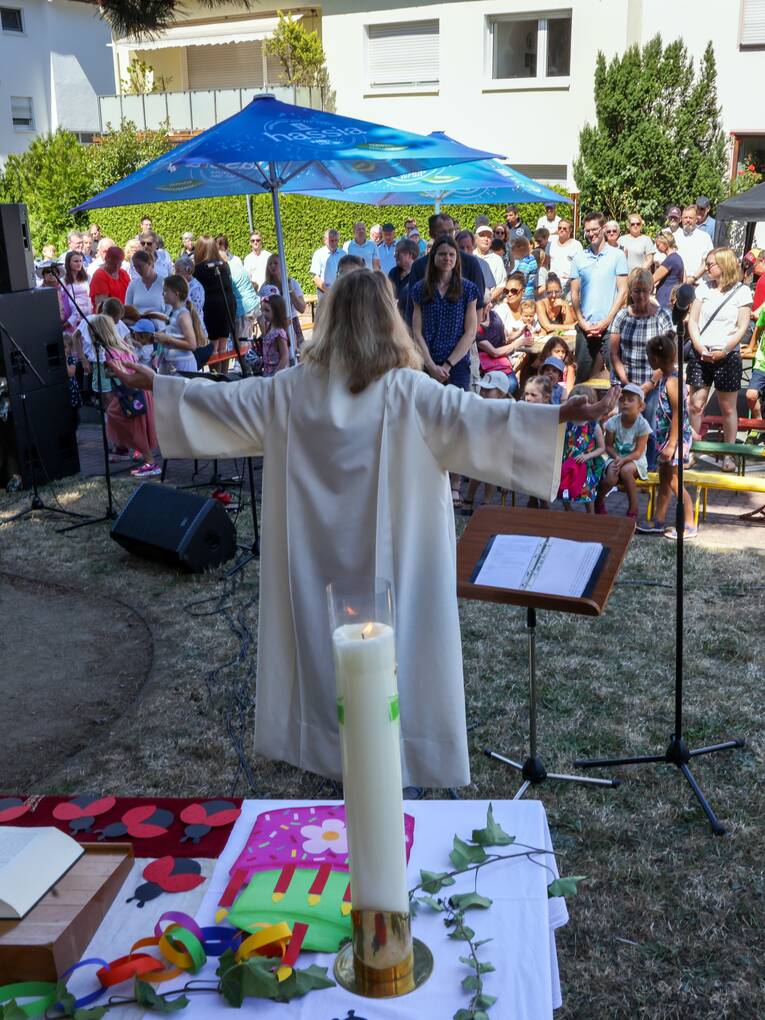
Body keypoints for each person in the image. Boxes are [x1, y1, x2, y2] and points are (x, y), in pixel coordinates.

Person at [107, 268, 618, 788]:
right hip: (401, 569)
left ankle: (334, 757)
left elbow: (222, 402)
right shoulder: (413, 393)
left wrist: (157, 384)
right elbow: (483, 420)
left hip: (317, 569)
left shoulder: (291, 392)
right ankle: (402, 766)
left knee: (328, 651)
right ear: (389, 321)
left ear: (329, 322)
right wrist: (556, 418)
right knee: (402, 655)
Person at [411, 235, 480, 506]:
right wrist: (430, 364)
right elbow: (416, 331)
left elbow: (470, 332)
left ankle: (455, 483)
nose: (447, 259)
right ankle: (428, 479)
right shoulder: (420, 289)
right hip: (427, 364)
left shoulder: (468, 289)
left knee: (455, 424)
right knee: (427, 422)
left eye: (452, 255)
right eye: (442, 254)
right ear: (434, 257)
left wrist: (448, 364)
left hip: (457, 367)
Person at [687, 247, 752, 463]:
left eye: (710, 264)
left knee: (727, 407)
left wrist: (724, 349)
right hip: (701, 354)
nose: (706, 268)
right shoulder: (702, 289)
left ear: (724, 265)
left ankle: (729, 455)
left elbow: (742, 326)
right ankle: (692, 449)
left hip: (727, 356)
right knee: (696, 404)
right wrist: (699, 347)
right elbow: (693, 321)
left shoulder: (742, 292)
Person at [609, 267, 673, 469]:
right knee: (624, 427)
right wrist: (627, 383)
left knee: (650, 426)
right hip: (627, 379)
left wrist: (650, 383)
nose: (641, 295)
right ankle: (622, 468)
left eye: (645, 290)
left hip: (653, 381)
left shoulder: (662, 316)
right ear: (630, 292)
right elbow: (614, 353)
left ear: (651, 289)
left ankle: (649, 468)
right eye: (637, 291)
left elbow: (667, 354)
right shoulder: (621, 316)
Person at [637, 333, 696, 538]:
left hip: (675, 440)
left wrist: (671, 445)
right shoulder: (663, 376)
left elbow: (678, 414)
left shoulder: (673, 382)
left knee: (673, 482)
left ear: (654, 359)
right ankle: (658, 520)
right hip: (665, 439)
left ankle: (689, 522)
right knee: (664, 481)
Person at [89, 313, 160, 478]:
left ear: (99, 333)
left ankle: (150, 462)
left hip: (131, 394)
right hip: (137, 390)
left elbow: (123, 374)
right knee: (121, 419)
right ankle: (126, 448)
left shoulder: (109, 352)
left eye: (92, 334)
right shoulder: (121, 344)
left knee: (132, 426)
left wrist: (111, 371)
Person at [569, 210, 629, 382]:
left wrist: (607, 321)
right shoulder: (579, 258)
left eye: (594, 229)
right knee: (583, 379)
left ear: (603, 228)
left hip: (610, 328)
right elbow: (574, 293)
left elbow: (623, 291)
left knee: (616, 378)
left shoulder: (617, 255)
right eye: (587, 230)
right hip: (585, 327)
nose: (591, 234)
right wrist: (581, 322)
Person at [405, 213, 486, 326]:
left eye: (451, 231)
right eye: (443, 232)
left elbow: (479, 306)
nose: (448, 236)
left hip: (464, 337)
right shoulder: (419, 266)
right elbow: (412, 309)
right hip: (426, 338)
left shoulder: (470, 263)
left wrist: (471, 339)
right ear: (431, 234)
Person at [596, 383, 652, 518]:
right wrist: (616, 458)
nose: (625, 403)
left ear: (641, 406)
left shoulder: (643, 425)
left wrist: (624, 460)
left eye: (630, 400)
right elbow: (608, 445)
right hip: (616, 457)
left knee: (626, 471)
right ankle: (598, 500)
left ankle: (633, 507)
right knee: (611, 477)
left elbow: (638, 452)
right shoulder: (612, 422)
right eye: (622, 399)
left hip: (635, 460)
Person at [463, 370, 513, 511]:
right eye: (482, 389)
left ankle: (487, 501)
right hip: (482, 446)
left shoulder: (509, 409)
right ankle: (470, 496)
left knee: (492, 474)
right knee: (477, 473)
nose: (483, 393)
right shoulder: (480, 405)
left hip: (498, 449)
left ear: (502, 393)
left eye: (488, 390)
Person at [559, 384, 606, 511]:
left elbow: (602, 448)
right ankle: (568, 510)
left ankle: (590, 514)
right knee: (564, 488)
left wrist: (587, 456)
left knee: (587, 492)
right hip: (567, 462)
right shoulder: (566, 423)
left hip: (585, 464)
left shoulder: (593, 426)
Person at [194, 235, 236, 356]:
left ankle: (216, 374)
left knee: (213, 347)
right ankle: (223, 373)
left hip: (211, 307)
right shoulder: (224, 264)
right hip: (228, 304)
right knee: (223, 346)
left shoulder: (199, 269)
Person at [153, 275, 202, 375]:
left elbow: (192, 345)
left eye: (166, 291)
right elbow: (173, 333)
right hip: (170, 364)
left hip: (182, 365)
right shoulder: (171, 311)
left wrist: (167, 339)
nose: (163, 294)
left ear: (176, 294)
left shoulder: (183, 315)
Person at [217, 235, 260, 345]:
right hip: (251, 305)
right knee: (245, 342)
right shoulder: (234, 262)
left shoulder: (226, 269)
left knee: (243, 345)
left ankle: (247, 361)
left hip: (244, 309)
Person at [261, 252, 306, 348]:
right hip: (274, 326)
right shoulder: (265, 287)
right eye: (270, 264)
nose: (272, 266)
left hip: (292, 324)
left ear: (282, 265)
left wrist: (289, 289)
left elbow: (302, 308)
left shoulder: (292, 283)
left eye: (276, 263)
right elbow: (263, 312)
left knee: (298, 356)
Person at [475, 301, 520, 388]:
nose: (491, 305)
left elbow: (505, 339)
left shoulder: (494, 315)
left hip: (501, 363)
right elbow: (494, 352)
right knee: (507, 385)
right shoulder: (475, 325)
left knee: (512, 384)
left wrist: (520, 333)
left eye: (491, 302)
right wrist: (518, 343)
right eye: (488, 303)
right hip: (485, 367)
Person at [674, 206, 713, 284]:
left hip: (698, 283)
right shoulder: (675, 237)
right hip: (677, 282)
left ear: (696, 220)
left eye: (691, 218)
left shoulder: (704, 237)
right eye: (685, 217)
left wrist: (693, 278)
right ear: (681, 219)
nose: (688, 220)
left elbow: (707, 261)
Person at [125, 250, 166, 321]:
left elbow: (170, 308)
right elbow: (128, 309)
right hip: (138, 325)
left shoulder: (164, 283)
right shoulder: (133, 285)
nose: (138, 270)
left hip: (160, 324)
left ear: (150, 264)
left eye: (140, 266)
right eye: (135, 267)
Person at [259, 291, 290, 377]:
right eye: (262, 310)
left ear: (277, 311)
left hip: (276, 374)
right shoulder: (269, 328)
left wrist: (276, 376)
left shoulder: (279, 332)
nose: (264, 313)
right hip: (267, 372)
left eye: (267, 310)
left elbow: (285, 356)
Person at [89, 245, 130, 312]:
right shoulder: (99, 276)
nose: (116, 267)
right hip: (108, 317)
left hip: (123, 313)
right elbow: (101, 306)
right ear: (106, 259)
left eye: (119, 264)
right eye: (113, 263)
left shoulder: (123, 274)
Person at [548, 219, 583, 294]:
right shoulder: (551, 244)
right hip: (553, 285)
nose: (561, 230)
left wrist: (572, 278)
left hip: (569, 285)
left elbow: (581, 266)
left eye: (564, 228)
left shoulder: (576, 245)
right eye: (559, 228)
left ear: (570, 230)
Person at [652, 232, 685, 311]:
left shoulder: (670, 260)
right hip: (671, 298)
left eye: (658, 245)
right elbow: (684, 279)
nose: (657, 248)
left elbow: (652, 279)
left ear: (665, 243)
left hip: (665, 298)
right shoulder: (678, 258)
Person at [474, 224, 506, 300]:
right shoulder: (470, 256)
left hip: (491, 304)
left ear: (492, 240)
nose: (486, 239)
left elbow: (501, 285)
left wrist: (487, 301)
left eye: (489, 237)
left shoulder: (497, 259)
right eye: (482, 235)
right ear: (476, 239)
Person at [388, 238, 418, 317]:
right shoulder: (393, 273)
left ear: (410, 255)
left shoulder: (419, 274)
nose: (395, 256)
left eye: (398, 253)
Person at [311, 229, 342, 301]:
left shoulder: (343, 253)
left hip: (340, 292)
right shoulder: (318, 254)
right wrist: (329, 291)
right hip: (324, 292)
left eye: (336, 240)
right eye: (331, 240)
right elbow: (315, 277)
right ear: (325, 240)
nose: (334, 243)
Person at [62, 250, 91, 327]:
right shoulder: (63, 280)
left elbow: (89, 297)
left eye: (80, 261)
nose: (79, 263)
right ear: (68, 263)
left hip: (87, 316)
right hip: (72, 318)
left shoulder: (87, 278)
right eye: (75, 261)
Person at [746, 301, 765, 416]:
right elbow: (758, 327)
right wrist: (750, 347)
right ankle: (758, 425)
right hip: (762, 364)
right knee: (751, 395)